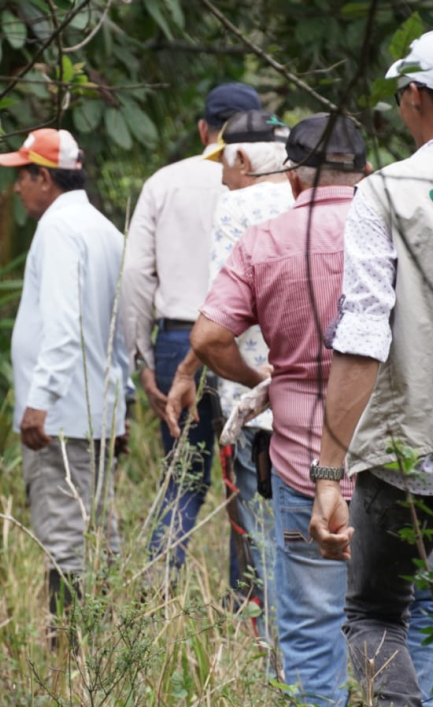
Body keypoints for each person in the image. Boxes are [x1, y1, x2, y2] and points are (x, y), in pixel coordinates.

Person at [177, 114, 366, 705]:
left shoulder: (266, 242)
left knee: (311, 634)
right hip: (402, 460)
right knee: (414, 623)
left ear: (292, 180)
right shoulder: (399, 231)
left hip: (304, 465)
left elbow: (208, 338)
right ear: (364, 172)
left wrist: (263, 376)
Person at [311, 32, 433, 707]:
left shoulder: (387, 193)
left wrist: (330, 473)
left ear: (414, 95)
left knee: (377, 614)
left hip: (408, 461)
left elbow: (362, 334)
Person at [119, 83, 262, 572]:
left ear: (205, 129)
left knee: (182, 478)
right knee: (251, 481)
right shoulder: (272, 183)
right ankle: (248, 607)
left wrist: (141, 357)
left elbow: (136, 275)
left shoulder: (165, 182)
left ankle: (156, 595)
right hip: (247, 344)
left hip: (178, 336)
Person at [0, 127, 128, 622]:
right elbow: (121, 329)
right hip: (97, 414)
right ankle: (111, 647)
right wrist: (124, 402)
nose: (16, 188)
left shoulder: (57, 230)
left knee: (65, 542)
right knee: (99, 535)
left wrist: (39, 400)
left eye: (22, 177)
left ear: (45, 178)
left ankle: (69, 657)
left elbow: (64, 323)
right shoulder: (105, 229)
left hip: (61, 417)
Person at [165, 109, 292, 623]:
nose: (220, 174)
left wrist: (254, 380)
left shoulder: (237, 203)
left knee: (266, 542)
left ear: (241, 157)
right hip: (335, 410)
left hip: (263, 415)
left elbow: (222, 321)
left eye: (223, 162)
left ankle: (279, 674)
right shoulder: (328, 199)